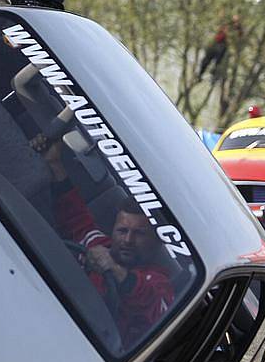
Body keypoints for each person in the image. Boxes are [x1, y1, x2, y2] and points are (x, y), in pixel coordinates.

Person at [35, 136, 174, 350]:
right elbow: (74, 216)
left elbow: (151, 301)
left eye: (139, 234)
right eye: (122, 230)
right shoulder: (97, 244)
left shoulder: (158, 283)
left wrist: (117, 272)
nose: (128, 240)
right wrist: (55, 163)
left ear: (156, 242)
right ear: (113, 230)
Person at [198, 14, 243, 79]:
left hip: (222, 45)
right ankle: (200, 74)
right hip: (216, 43)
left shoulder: (238, 28)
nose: (235, 19)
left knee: (218, 60)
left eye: (237, 19)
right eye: (234, 18)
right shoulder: (227, 23)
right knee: (206, 60)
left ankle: (213, 73)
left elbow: (239, 35)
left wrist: (236, 29)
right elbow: (219, 28)